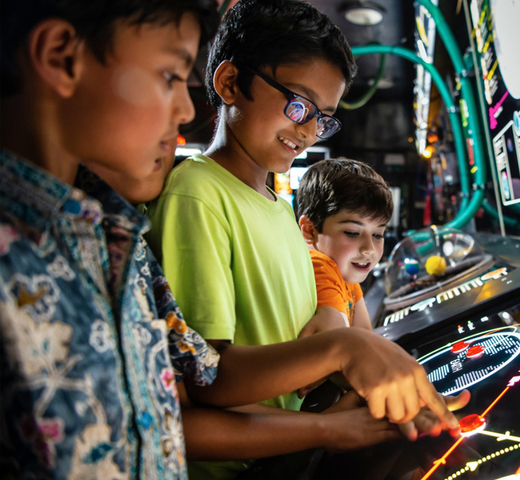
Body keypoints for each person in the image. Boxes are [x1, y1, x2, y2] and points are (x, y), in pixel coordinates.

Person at [144, 1, 462, 478]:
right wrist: (339, 382)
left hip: (286, 449)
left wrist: (368, 386)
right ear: (230, 83)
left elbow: (289, 341)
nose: (309, 130)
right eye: (299, 104)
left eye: (324, 118)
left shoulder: (275, 204)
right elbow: (206, 380)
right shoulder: (198, 194)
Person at [0, 1, 220, 477]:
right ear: (61, 57)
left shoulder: (118, 237)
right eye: (169, 76)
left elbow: (202, 373)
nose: (185, 109)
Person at [296, 158, 392, 333]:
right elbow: (339, 345)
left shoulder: (345, 272)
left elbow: (364, 334)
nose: (369, 249)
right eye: (353, 233)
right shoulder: (320, 265)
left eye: (377, 234)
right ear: (310, 230)